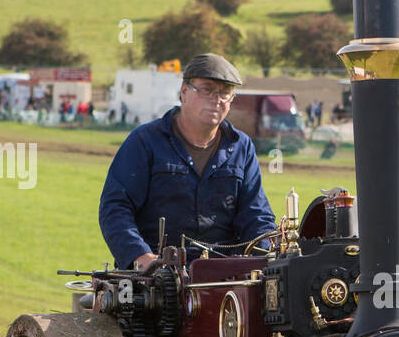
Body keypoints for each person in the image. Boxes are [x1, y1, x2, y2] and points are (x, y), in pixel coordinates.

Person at [99, 53, 275, 271]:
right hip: (156, 277)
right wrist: (140, 257)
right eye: (207, 90)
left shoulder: (242, 147)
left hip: (225, 277)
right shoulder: (145, 142)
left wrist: (262, 258)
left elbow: (256, 215)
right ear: (184, 92)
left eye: (224, 93)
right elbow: (115, 208)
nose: (216, 99)